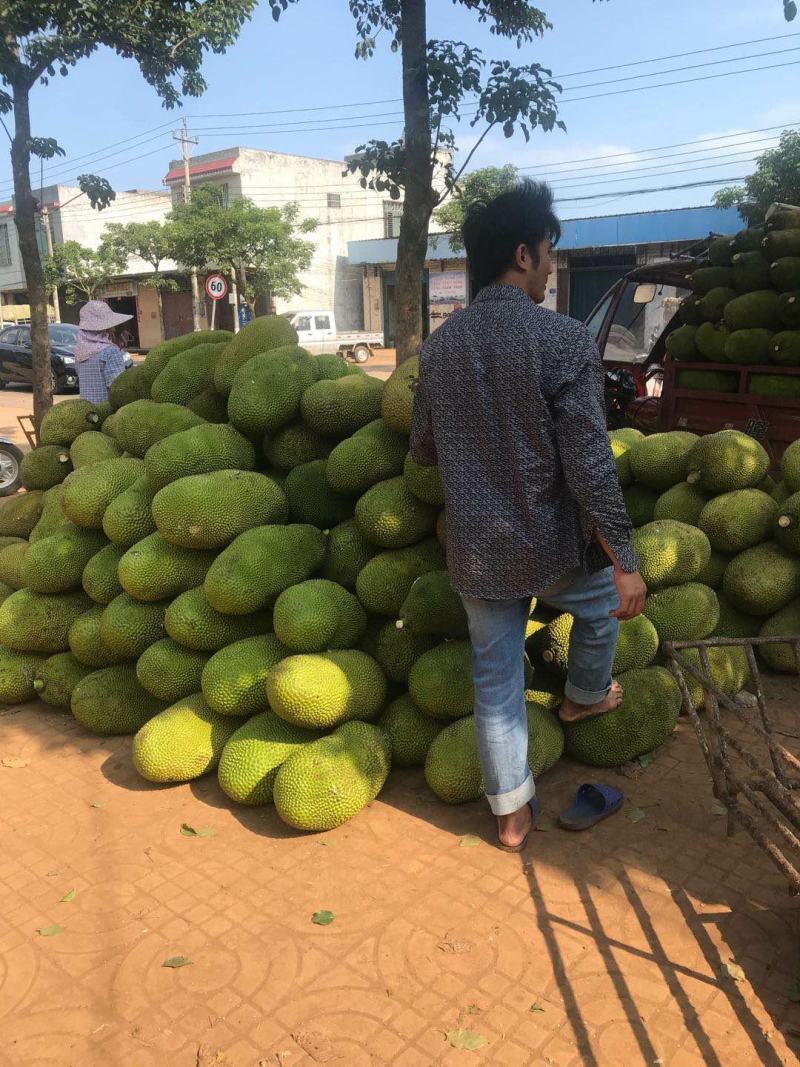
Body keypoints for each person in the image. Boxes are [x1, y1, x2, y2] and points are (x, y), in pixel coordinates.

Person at [410, 180, 647, 853]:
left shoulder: (441, 346)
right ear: (522, 254)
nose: (550, 270)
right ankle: (583, 694)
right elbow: (591, 467)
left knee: (495, 679)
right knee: (603, 607)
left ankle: (511, 815)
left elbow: (423, 449)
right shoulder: (564, 341)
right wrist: (625, 562)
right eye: (548, 256)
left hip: (477, 553)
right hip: (552, 548)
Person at [74, 300, 132, 402]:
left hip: (87, 412)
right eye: (111, 326)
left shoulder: (80, 352)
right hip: (107, 413)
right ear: (105, 328)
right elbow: (118, 388)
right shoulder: (111, 352)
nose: (113, 329)